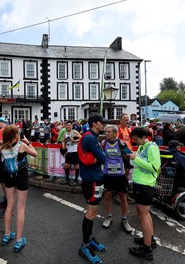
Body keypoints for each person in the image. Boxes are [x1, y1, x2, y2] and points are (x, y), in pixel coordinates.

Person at [0, 125, 37, 253]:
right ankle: (19, 240)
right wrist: (29, 142)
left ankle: (6, 234)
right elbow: (35, 154)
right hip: (21, 176)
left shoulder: (2, 147)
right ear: (16, 135)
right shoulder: (21, 145)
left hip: (9, 177)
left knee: (9, 206)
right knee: (20, 208)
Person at [78, 113, 108, 263]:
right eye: (102, 123)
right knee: (91, 213)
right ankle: (84, 246)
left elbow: (100, 157)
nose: (104, 125)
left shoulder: (91, 136)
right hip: (92, 180)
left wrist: (98, 156)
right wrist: (99, 156)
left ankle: (89, 239)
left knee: (93, 212)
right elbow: (103, 158)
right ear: (95, 123)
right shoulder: (90, 137)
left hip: (95, 178)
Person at [127, 127, 161, 260]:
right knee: (144, 215)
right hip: (140, 183)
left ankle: (147, 249)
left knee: (144, 216)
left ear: (143, 137)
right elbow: (141, 164)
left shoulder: (152, 147)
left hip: (145, 185)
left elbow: (154, 167)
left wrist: (136, 158)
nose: (134, 141)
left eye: (136, 139)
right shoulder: (143, 147)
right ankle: (149, 240)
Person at [101, 125, 134, 234]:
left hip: (120, 175)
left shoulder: (121, 143)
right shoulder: (103, 143)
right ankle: (108, 217)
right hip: (108, 174)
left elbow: (130, 155)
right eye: (106, 132)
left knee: (123, 196)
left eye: (109, 132)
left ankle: (124, 219)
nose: (106, 134)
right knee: (108, 195)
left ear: (115, 133)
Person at [60, 120, 81, 186]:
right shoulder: (65, 133)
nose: (68, 126)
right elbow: (63, 141)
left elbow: (82, 138)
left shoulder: (75, 132)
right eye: (67, 125)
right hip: (69, 152)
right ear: (65, 126)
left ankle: (76, 180)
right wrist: (63, 146)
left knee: (76, 166)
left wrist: (74, 140)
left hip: (75, 151)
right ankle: (67, 178)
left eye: (69, 125)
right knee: (66, 165)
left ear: (72, 126)